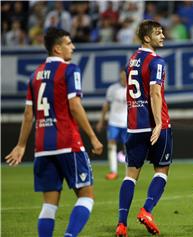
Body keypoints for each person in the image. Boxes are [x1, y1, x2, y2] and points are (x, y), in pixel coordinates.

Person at [4, 27, 103, 237]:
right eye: (69, 43)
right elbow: (75, 106)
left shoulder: (35, 75)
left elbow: (29, 113)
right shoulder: (70, 70)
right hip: (68, 143)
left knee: (49, 205)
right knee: (86, 196)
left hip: (42, 147)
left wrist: (21, 145)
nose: (73, 47)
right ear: (57, 48)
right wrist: (93, 137)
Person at [115, 20, 173, 237]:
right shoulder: (156, 61)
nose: (163, 36)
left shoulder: (132, 60)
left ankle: (121, 223)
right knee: (162, 170)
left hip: (133, 126)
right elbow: (155, 93)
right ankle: (147, 210)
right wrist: (158, 123)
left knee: (130, 176)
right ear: (147, 38)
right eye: (159, 33)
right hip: (156, 124)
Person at [96, 68, 128, 180]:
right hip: (114, 122)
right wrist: (101, 120)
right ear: (120, 75)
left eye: (126, 75)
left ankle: (129, 172)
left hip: (127, 123)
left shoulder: (133, 89)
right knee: (111, 146)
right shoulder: (112, 89)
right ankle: (113, 171)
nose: (124, 78)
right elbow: (106, 105)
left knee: (128, 148)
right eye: (122, 75)